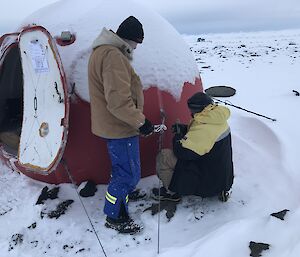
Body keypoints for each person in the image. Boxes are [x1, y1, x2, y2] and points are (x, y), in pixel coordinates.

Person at [88, 16, 154, 234]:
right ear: (131, 39)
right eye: (138, 42)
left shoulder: (102, 52)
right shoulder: (113, 56)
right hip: (120, 127)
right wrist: (141, 122)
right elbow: (118, 102)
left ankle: (122, 197)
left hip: (114, 126)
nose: (136, 48)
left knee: (123, 170)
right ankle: (114, 216)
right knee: (127, 175)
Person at [154, 92, 234, 202]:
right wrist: (185, 129)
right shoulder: (215, 117)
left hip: (207, 182)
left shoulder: (204, 127)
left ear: (199, 109)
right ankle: (220, 190)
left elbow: (182, 153)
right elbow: (203, 135)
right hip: (222, 178)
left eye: (192, 110)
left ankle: (172, 193)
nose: (191, 112)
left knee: (164, 156)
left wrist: (177, 136)